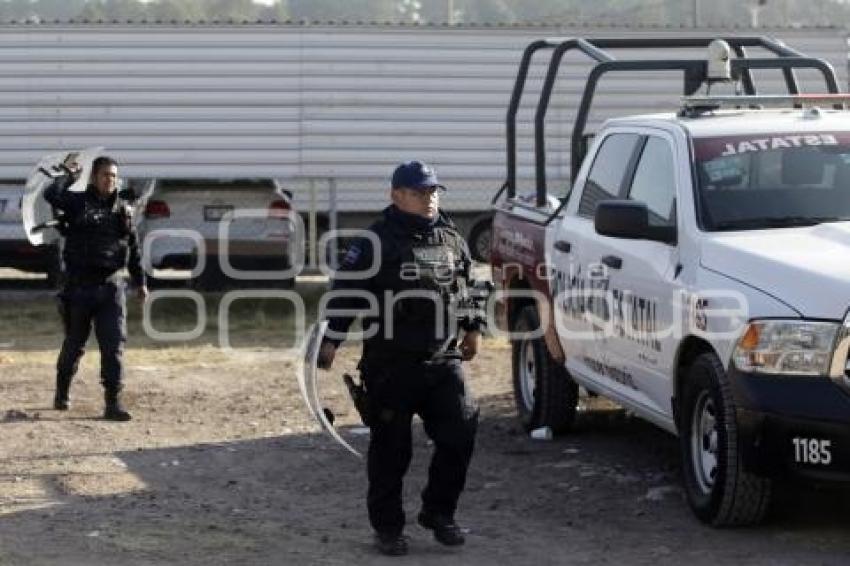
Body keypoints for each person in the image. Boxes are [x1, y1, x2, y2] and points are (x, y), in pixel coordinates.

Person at [317, 160, 485, 556]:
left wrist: (473, 327)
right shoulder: (374, 241)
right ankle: (389, 528)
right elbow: (347, 292)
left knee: (460, 433)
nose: (430, 199)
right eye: (420, 192)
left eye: (433, 191)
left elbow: (467, 285)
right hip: (392, 363)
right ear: (397, 195)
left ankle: (439, 513)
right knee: (391, 450)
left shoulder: (449, 235)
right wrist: (332, 340)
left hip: (443, 359)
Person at [44, 155, 148, 421]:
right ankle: (62, 391)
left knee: (113, 346)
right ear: (94, 177)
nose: (109, 180)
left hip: (111, 289)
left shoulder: (123, 210)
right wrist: (67, 175)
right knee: (74, 345)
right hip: (79, 289)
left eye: (114, 176)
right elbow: (51, 194)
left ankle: (113, 403)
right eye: (105, 175)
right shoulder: (77, 202)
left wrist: (141, 282)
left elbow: (133, 248)